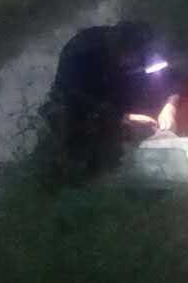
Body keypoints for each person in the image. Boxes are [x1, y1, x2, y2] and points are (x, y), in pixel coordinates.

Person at [41, 20, 179, 175]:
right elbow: (77, 100)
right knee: (80, 148)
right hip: (76, 103)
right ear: (115, 49)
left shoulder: (144, 49)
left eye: (137, 59)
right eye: (127, 58)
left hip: (115, 92)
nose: (132, 63)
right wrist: (124, 118)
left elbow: (170, 79)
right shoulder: (80, 53)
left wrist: (170, 106)